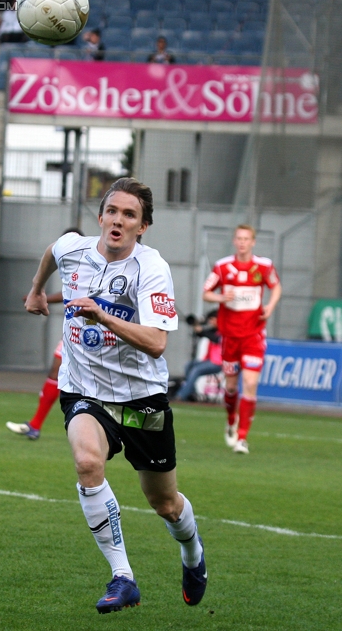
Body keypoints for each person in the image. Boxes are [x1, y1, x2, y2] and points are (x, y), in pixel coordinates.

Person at [24, 177, 207, 614]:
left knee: (164, 502)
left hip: (141, 398)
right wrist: (35, 290)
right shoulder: (75, 249)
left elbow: (158, 342)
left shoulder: (152, 268)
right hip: (83, 389)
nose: (118, 221)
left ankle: (193, 555)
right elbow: (53, 250)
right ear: (101, 216)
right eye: (112, 211)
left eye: (130, 215)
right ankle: (123, 577)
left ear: (143, 226)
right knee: (88, 462)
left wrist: (101, 315)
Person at [202, 224, 282, 454]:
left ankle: (243, 438)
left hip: (254, 334)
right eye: (239, 238)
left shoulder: (264, 266)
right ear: (235, 241)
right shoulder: (223, 266)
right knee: (230, 386)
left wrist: (270, 306)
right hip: (230, 335)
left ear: (253, 242)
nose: (242, 242)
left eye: (246, 238)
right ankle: (230, 420)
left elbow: (276, 288)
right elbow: (205, 293)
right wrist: (220, 296)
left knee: (250, 383)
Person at [6, 229, 84, 441]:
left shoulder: (89, 262)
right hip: (75, 331)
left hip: (93, 333)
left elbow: (73, 295)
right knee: (55, 370)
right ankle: (35, 425)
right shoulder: (71, 265)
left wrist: (42, 295)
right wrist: (38, 292)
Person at [175, 309, 222, 402]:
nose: (210, 322)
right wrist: (196, 325)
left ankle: (180, 396)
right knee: (189, 365)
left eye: (212, 319)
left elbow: (216, 338)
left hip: (219, 363)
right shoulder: (213, 330)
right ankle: (192, 393)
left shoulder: (224, 330)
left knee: (196, 370)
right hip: (209, 361)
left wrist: (201, 330)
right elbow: (203, 333)